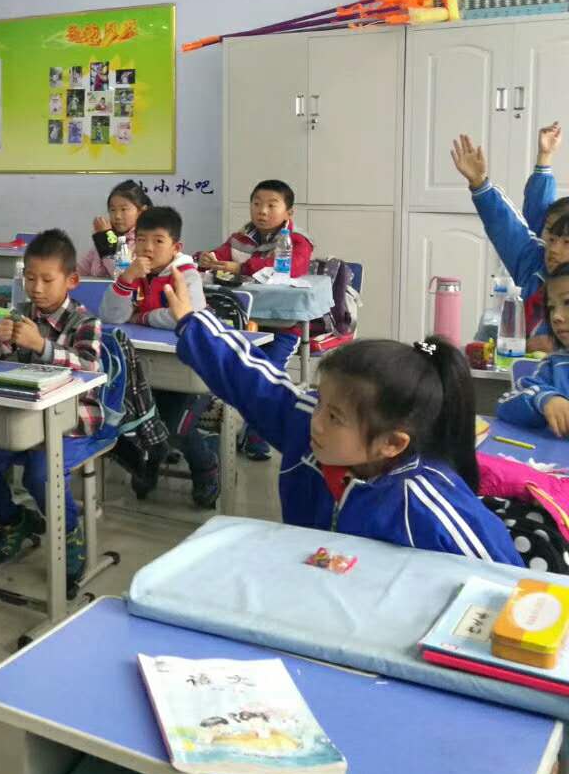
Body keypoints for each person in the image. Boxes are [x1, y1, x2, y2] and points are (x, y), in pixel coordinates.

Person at [164, 269, 521, 564]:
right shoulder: (310, 427)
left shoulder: (425, 503)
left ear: (392, 443)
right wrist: (194, 324)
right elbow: (250, 380)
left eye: (335, 417)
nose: (316, 421)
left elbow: (509, 583)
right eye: (320, 402)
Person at [0, 229, 99, 587]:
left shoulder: (84, 322)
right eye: (30, 278)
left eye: (47, 280)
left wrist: (42, 346)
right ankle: (13, 520)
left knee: (41, 474)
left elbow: (90, 368)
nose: (36, 288)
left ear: (71, 281)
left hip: (70, 422)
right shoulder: (20, 314)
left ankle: (70, 533)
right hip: (21, 419)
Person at [98, 206, 218, 507]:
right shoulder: (134, 272)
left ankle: (205, 466)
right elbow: (111, 316)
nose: (148, 248)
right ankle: (149, 463)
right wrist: (126, 279)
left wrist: (142, 317)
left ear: (176, 247)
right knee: (124, 416)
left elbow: (184, 314)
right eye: (141, 240)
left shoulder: (186, 274)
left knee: (174, 426)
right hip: (146, 373)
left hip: (190, 371)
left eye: (158, 241)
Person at [197, 179, 314, 461]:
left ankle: (256, 434)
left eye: (272, 205)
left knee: (267, 378)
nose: (262, 211)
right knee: (222, 372)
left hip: (282, 326)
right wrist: (207, 259)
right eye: (257, 204)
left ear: (289, 212)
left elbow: (292, 267)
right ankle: (212, 431)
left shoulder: (297, 241)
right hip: (244, 324)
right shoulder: (241, 238)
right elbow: (219, 256)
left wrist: (242, 267)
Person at [452, 124, 567, 354]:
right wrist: (479, 184)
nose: (553, 249)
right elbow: (507, 227)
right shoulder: (534, 266)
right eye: (552, 239)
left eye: (566, 242)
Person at [499, 264, 569, 433]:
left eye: (567, 302)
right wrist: (545, 399)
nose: (556, 316)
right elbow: (505, 404)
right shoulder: (553, 366)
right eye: (551, 307)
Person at [79, 180, 152, 278]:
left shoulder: (142, 241)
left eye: (123, 209)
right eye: (112, 210)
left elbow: (121, 273)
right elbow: (81, 269)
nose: (117, 216)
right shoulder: (105, 238)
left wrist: (106, 237)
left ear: (141, 212)